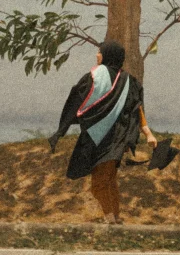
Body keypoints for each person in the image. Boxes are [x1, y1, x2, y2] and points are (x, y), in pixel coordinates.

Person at [48, 39, 158, 223]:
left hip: (103, 140)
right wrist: (148, 133)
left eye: (100, 52)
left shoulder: (95, 77)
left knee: (99, 184)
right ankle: (115, 219)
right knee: (109, 181)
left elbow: (77, 98)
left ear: (107, 55)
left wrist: (149, 134)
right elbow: (137, 110)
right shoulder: (129, 81)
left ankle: (110, 222)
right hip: (115, 141)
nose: (97, 55)